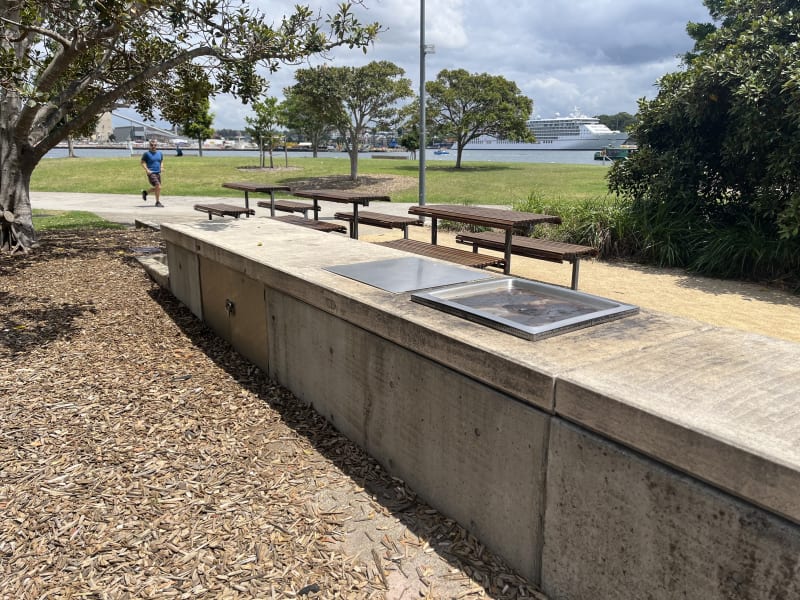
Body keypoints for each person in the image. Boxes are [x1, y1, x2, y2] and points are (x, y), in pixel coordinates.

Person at [140, 139, 164, 207]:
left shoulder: (160, 153)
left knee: (158, 188)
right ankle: (157, 202)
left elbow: (161, 161)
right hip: (151, 173)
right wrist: (147, 170)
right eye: (152, 145)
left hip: (158, 173)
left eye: (155, 145)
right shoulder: (146, 154)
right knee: (158, 186)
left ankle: (145, 193)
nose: (153, 146)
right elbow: (142, 162)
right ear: (149, 145)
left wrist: (162, 167)